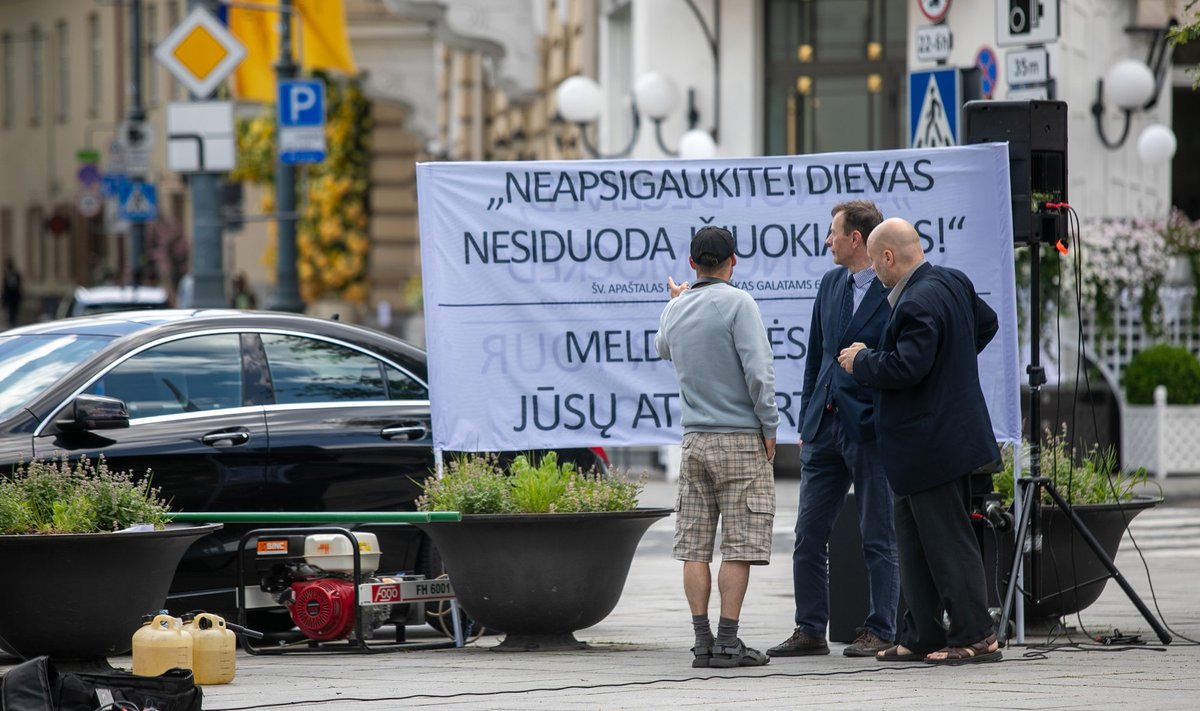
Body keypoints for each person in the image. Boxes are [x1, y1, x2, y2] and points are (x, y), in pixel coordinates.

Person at [837, 217, 1002, 665]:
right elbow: (986, 325)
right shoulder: (952, 281)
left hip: (933, 443)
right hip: (925, 445)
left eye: (874, 262)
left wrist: (863, 360)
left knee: (948, 542)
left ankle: (977, 636)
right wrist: (951, 369)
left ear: (888, 257)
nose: (874, 272)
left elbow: (906, 367)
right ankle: (923, 633)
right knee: (913, 543)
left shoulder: (915, 301)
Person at [768, 200, 899, 660]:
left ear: (856, 238)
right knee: (807, 533)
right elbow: (815, 357)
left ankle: (881, 627)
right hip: (823, 427)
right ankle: (809, 629)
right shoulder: (829, 284)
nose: (828, 241)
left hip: (867, 427)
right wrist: (807, 417)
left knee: (877, 533)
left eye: (833, 232)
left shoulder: (892, 290)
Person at [655, 225, 779, 669]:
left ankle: (702, 641)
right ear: (734, 261)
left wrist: (675, 300)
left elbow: (663, 349)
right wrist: (770, 426)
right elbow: (759, 374)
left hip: (694, 440)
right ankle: (728, 641)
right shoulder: (740, 303)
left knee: (695, 546)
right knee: (740, 544)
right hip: (740, 438)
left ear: (692, 263)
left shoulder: (675, 308)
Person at [2, 258, 22, 329]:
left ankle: (14, 323)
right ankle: (11, 323)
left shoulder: (16, 274)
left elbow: (18, 286)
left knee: (15, 312)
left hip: (15, 298)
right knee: (10, 313)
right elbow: (5, 288)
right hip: (10, 298)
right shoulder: (6, 275)